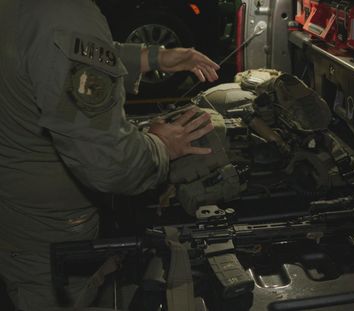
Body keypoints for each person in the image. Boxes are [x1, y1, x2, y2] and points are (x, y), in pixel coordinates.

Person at [0, 0, 220, 310]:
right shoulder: (66, 14)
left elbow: (50, 58)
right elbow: (110, 164)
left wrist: (153, 57)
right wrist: (161, 144)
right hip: (45, 235)